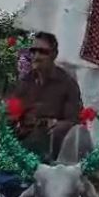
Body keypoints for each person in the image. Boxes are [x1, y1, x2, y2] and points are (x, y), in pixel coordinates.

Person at [10, 32, 83, 161]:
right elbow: (10, 116)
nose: (36, 56)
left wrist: (55, 125)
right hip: (22, 143)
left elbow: (73, 122)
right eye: (33, 51)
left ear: (54, 54)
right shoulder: (24, 82)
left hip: (51, 147)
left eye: (42, 52)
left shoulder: (67, 84)